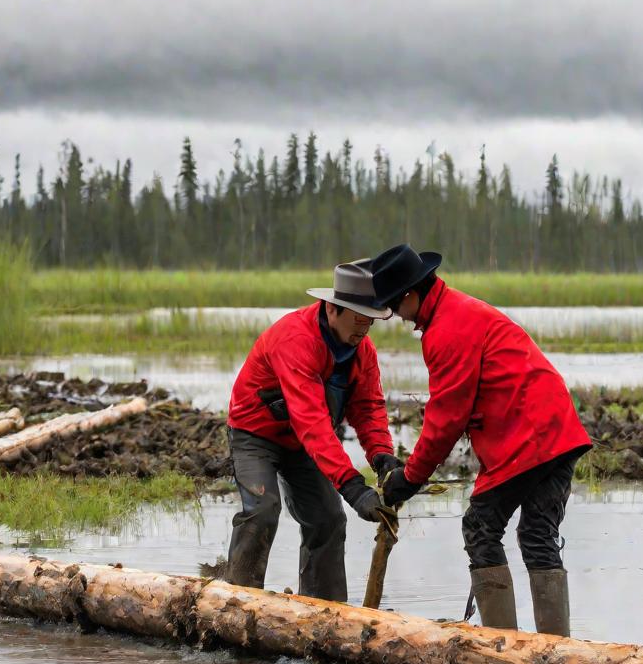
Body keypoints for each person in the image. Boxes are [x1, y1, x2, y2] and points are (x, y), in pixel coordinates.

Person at [372, 244, 591, 636]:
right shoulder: (459, 309)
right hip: (558, 429)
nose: (394, 316)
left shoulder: (447, 329)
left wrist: (410, 478)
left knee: (480, 527)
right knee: (538, 534)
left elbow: (447, 417)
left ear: (410, 295)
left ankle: (500, 649)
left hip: (530, 436)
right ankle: (556, 653)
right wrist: (407, 471)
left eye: (392, 306)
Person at [224, 260, 399, 598]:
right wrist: (353, 486)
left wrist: (382, 456)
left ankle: (325, 615)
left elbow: (368, 408)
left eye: (370, 322)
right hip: (255, 434)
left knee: (329, 520)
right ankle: (238, 603)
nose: (364, 329)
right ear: (333, 309)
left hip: (304, 444)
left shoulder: (363, 352)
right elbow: (312, 421)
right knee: (262, 510)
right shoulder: (295, 339)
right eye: (359, 319)